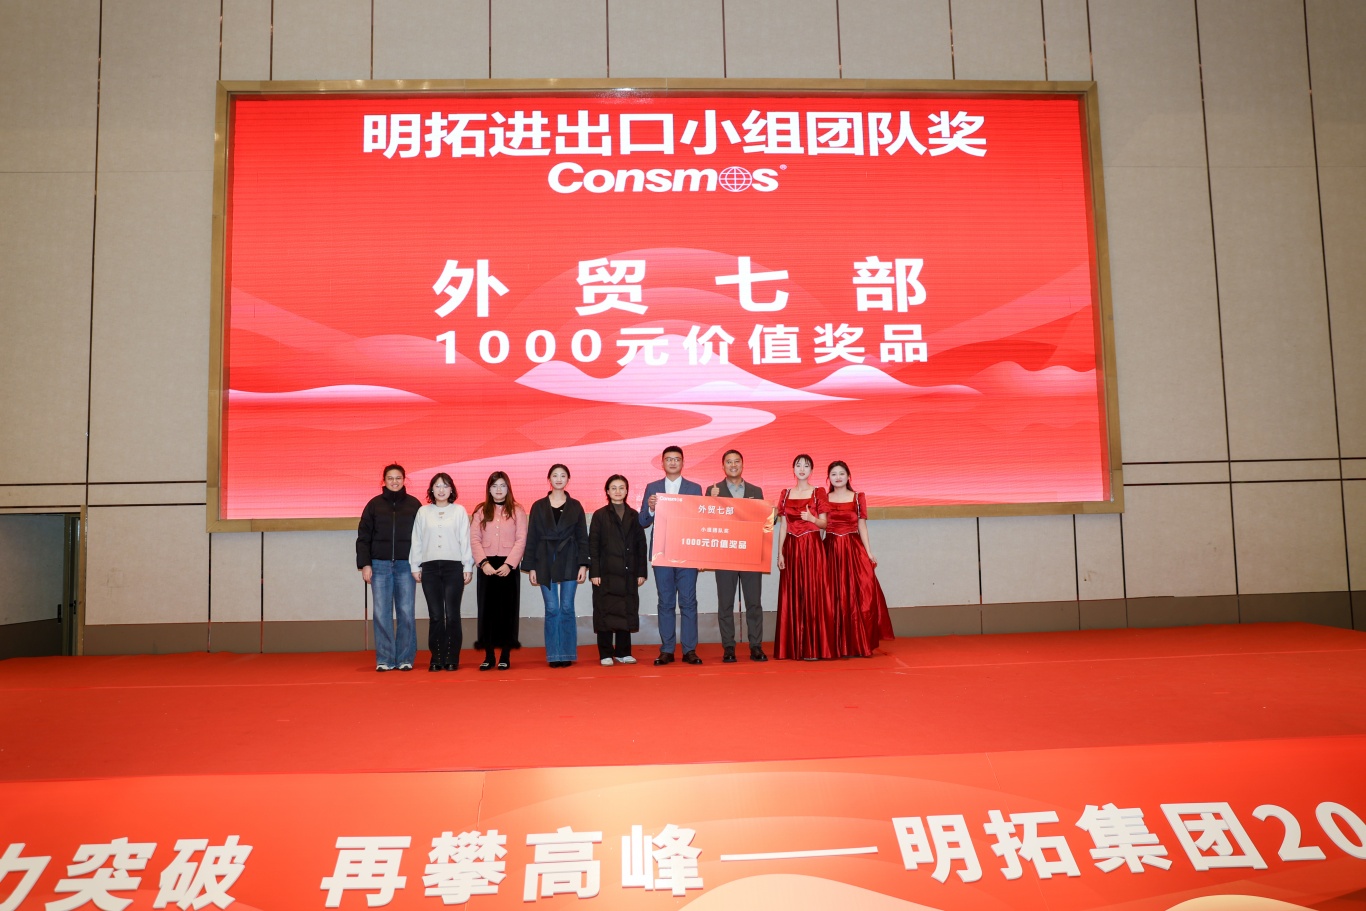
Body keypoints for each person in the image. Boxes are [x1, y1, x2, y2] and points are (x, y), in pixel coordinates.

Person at [639, 445, 704, 666]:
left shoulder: (694, 488)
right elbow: (642, 521)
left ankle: (689, 650)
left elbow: (700, 523)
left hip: (688, 552)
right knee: (665, 602)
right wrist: (650, 509)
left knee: (688, 602)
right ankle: (667, 650)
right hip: (662, 552)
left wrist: (701, 555)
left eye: (677, 459)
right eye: (669, 459)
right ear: (663, 463)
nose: (673, 462)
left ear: (683, 462)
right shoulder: (653, 488)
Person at [356, 463, 423, 672]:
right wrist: (365, 564)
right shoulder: (374, 505)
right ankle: (384, 658)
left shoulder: (414, 505)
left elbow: (422, 538)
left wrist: (419, 563)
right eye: (390, 478)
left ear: (404, 480)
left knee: (406, 612)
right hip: (379, 565)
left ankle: (405, 658)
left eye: (398, 478)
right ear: (384, 481)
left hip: (406, 565)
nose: (394, 481)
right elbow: (363, 537)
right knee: (381, 612)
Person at [522, 464, 589, 668]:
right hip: (544, 559)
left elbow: (582, 537)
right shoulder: (538, 506)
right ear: (549, 479)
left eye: (563, 475)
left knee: (567, 607)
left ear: (568, 479)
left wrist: (583, 565)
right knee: (551, 608)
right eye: (555, 475)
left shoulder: (576, 506)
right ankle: (553, 655)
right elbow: (532, 537)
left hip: (570, 558)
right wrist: (531, 567)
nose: (559, 479)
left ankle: (566, 653)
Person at [824, 460, 894, 656]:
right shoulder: (823, 498)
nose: (838, 477)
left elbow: (862, 525)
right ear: (828, 478)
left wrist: (868, 551)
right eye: (833, 474)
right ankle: (835, 644)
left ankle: (858, 642)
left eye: (841, 473)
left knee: (861, 593)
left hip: (853, 548)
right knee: (833, 596)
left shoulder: (857, 498)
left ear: (848, 476)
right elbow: (821, 525)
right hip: (831, 549)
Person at [774, 454, 838, 660]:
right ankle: (793, 648)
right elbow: (783, 526)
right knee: (793, 594)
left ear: (811, 470)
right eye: (798, 465)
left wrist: (811, 518)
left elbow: (825, 524)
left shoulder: (818, 492)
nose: (802, 469)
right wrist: (780, 552)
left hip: (811, 547)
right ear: (793, 469)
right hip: (791, 548)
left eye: (806, 466)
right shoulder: (785, 493)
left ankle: (814, 648)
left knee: (813, 594)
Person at [409, 472, 473, 672]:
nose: (441, 490)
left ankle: (452, 657)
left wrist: (467, 566)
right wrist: (415, 565)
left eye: (445, 486)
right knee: (436, 615)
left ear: (451, 489)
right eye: (437, 486)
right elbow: (417, 540)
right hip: (429, 568)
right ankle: (436, 657)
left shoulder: (459, 511)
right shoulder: (423, 512)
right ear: (431, 490)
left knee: (452, 614)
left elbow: (465, 539)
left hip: (454, 567)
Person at [708, 450, 768, 663]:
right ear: (723, 466)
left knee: (754, 602)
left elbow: (764, 522)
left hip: (750, 553)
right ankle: (728, 647)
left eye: (736, 462)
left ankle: (756, 646)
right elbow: (705, 522)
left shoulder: (755, 491)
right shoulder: (713, 490)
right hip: (725, 554)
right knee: (725, 603)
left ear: (742, 464)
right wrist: (711, 501)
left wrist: (773, 514)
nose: (733, 465)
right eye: (729, 462)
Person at [589, 474, 648, 666]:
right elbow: (593, 546)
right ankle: (605, 653)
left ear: (627, 490)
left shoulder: (634, 515)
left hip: (628, 572)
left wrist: (641, 572)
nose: (617, 491)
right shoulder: (599, 515)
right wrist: (594, 572)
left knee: (626, 609)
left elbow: (641, 545)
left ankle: (623, 652)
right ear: (607, 491)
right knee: (604, 612)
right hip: (605, 573)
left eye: (621, 487)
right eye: (613, 488)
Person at [471, 471, 527, 670]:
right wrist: (483, 563)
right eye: (494, 486)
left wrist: (509, 564)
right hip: (486, 566)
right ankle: (488, 655)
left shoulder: (518, 510)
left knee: (507, 611)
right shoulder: (480, 511)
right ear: (489, 489)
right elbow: (474, 539)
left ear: (508, 488)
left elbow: (521, 539)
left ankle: (505, 655)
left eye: (502, 485)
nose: (498, 489)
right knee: (487, 611)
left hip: (508, 567)